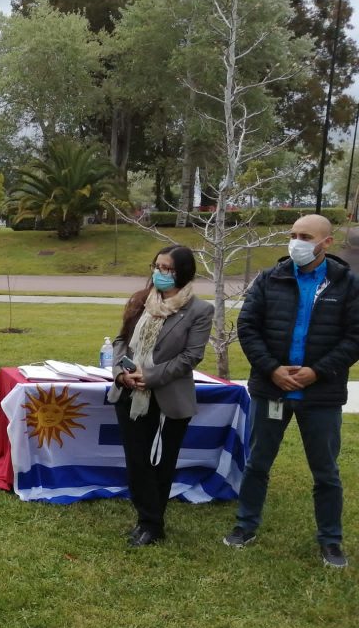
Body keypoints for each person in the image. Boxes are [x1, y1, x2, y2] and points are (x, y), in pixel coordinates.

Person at [223, 214, 359, 568]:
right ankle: (245, 526)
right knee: (257, 463)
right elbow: (248, 327)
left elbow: (354, 337)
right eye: (294, 234)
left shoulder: (346, 283)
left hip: (321, 395)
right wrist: (272, 369)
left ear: (326, 242)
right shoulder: (270, 278)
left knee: (326, 472)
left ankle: (330, 540)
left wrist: (318, 371)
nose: (296, 242)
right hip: (272, 390)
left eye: (306, 236)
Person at [108, 245, 214, 547]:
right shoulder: (141, 300)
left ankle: (152, 524)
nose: (159, 273)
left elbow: (191, 356)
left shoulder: (199, 310)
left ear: (183, 272)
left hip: (168, 399)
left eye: (167, 268)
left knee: (161, 463)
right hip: (129, 394)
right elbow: (121, 341)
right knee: (137, 461)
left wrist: (150, 377)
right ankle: (147, 520)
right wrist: (122, 373)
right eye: (157, 266)